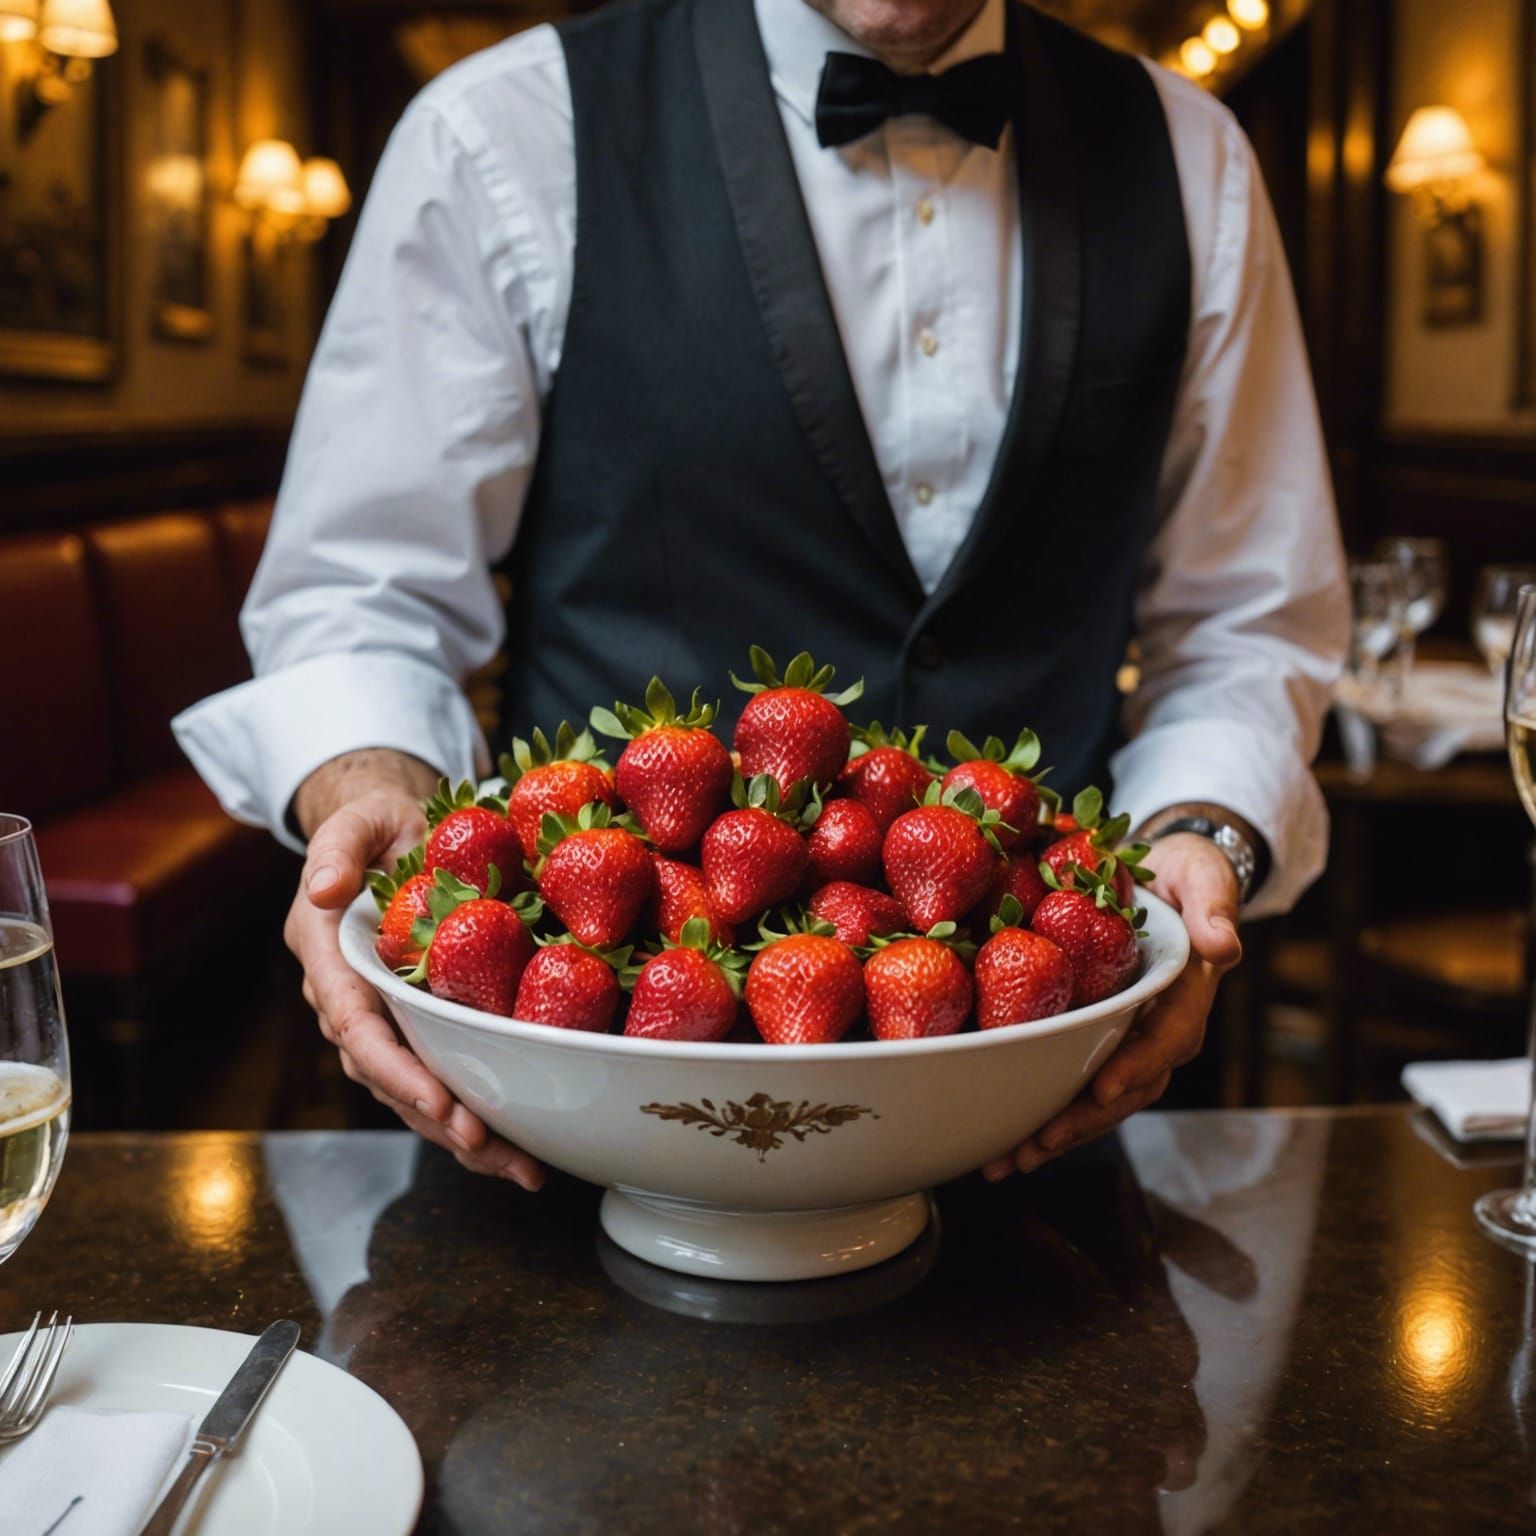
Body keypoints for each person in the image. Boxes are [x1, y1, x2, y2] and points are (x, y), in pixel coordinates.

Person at [176, 0, 1348, 1192]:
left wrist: (1200, 836)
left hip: (1047, 1107)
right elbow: (363, 591)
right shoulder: (503, 128)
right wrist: (373, 794)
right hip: (573, 1117)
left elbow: (1248, 622)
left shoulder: (1191, 156)